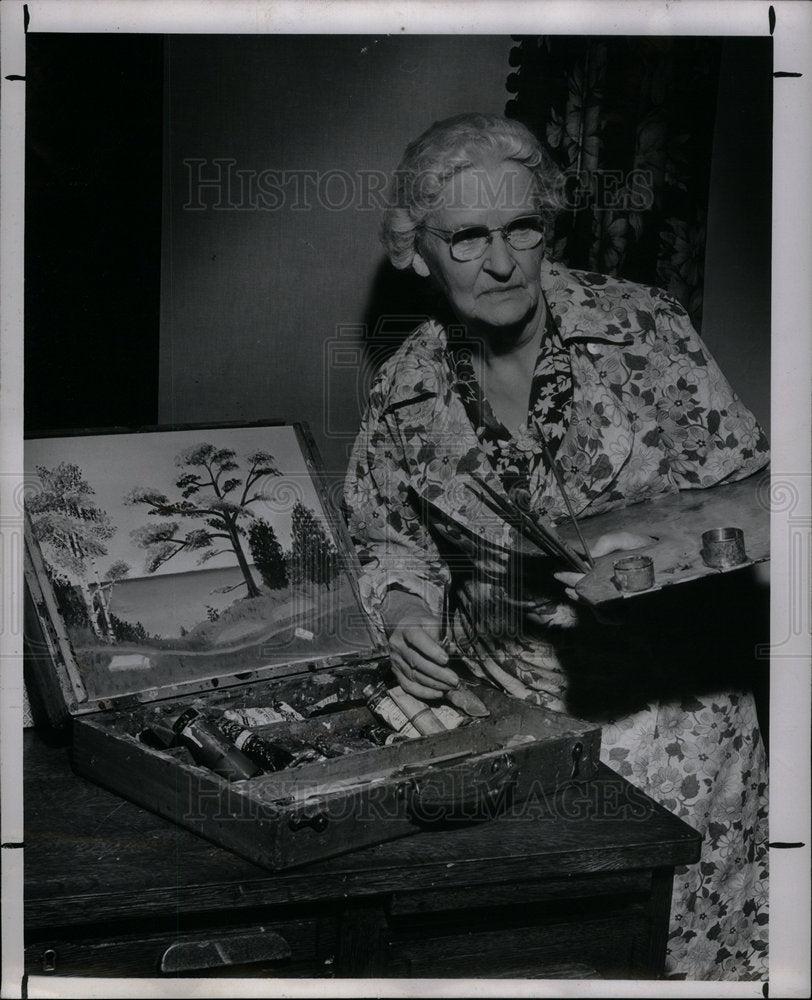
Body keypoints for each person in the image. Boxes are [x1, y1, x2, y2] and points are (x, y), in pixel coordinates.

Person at [344, 112, 770, 980]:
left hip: (673, 731)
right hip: (506, 737)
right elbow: (386, 535)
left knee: (681, 959)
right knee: (536, 960)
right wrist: (404, 610)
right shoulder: (406, 384)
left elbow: (754, 501)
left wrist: (664, 564)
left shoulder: (646, 328)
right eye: (466, 237)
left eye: (520, 228)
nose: (500, 262)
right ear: (418, 252)